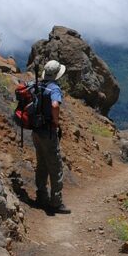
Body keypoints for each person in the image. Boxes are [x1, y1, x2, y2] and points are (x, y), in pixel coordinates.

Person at [32, 60, 71, 214]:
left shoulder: (38, 85)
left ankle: (41, 197)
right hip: (48, 131)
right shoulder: (53, 88)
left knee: (41, 163)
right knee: (55, 167)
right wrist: (56, 121)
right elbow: (55, 105)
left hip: (36, 131)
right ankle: (56, 203)